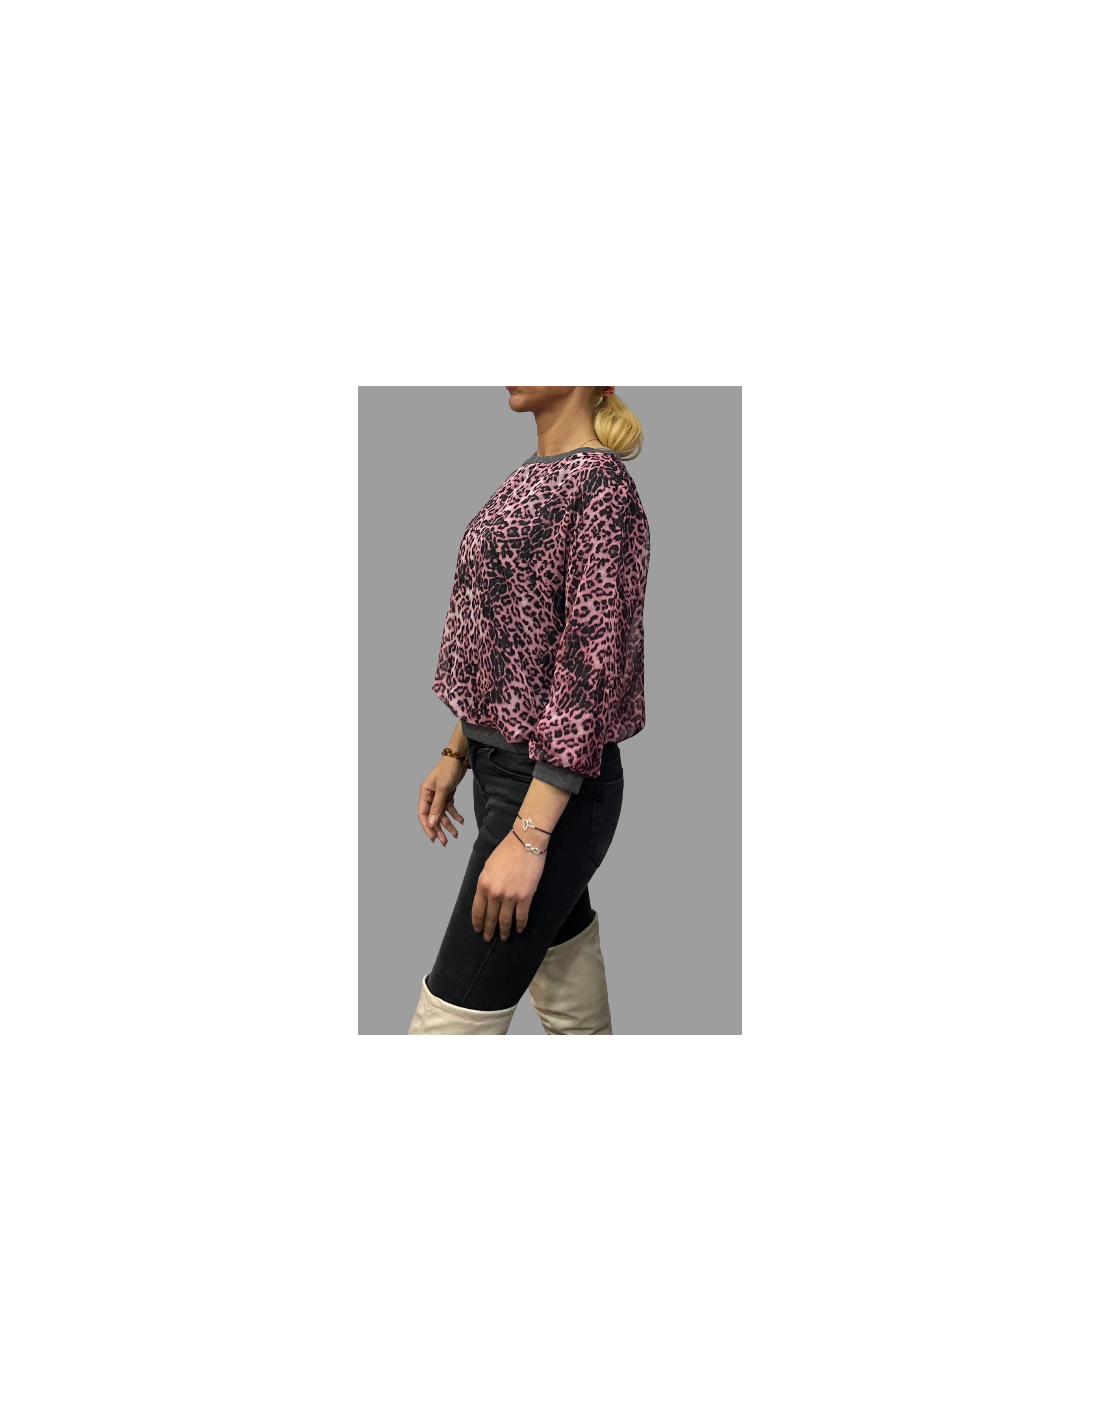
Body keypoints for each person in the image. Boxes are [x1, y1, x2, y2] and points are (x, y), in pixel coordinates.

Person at [408, 386, 650, 1035]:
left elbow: (590, 664)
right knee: (572, 1003)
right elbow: (507, 638)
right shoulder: (528, 477)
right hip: (500, 770)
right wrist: (457, 750)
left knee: (449, 1025)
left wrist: (530, 835)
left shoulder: (602, 489)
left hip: (548, 790)